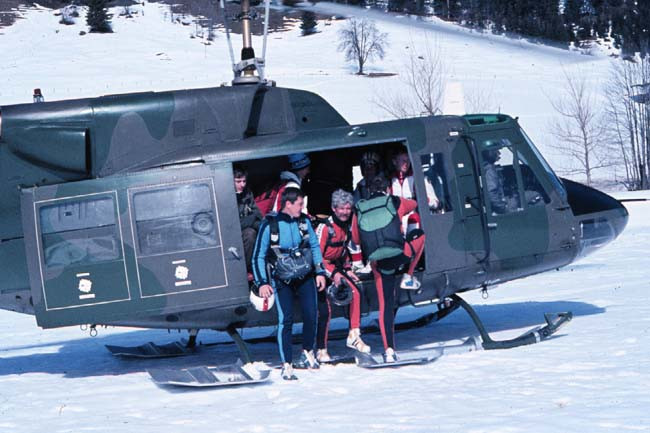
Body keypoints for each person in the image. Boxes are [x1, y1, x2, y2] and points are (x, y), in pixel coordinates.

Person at [252, 187, 327, 380]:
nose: (303, 207)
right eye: (300, 204)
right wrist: (261, 283)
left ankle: (307, 351)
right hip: (282, 279)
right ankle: (287, 363)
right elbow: (258, 256)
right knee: (285, 320)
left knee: (312, 314)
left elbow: (314, 246)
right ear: (288, 204)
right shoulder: (270, 225)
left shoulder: (304, 221)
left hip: (305, 275)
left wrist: (319, 271)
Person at [351, 175, 426, 362]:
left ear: (368, 190)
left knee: (385, 306)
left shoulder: (359, 208)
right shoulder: (394, 201)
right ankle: (408, 276)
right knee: (419, 235)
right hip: (399, 254)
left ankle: (389, 350)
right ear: (387, 189)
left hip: (378, 263)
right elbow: (414, 204)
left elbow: (356, 239)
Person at [315, 190, 370, 362]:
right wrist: (333, 273)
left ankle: (354, 334)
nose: (346, 212)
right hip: (320, 272)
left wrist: (347, 268)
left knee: (355, 292)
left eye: (348, 208)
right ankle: (321, 349)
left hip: (336, 268)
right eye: (342, 208)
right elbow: (317, 257)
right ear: (334, 208)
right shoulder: (325, 228)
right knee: (325, 311)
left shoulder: (346, 225)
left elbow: (344, 251)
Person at [389, 148, 439, 233]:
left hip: (415, 224)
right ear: (395, 162)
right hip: (397, 227)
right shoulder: (389, 182)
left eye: (408, 160)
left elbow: (436, 203)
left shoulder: (419, 178)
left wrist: (425, 200)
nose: (406, 164)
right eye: (403, 160)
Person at [233, 164, 263, 272]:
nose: (242, 185)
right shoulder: (226, 196)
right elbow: (233, 225)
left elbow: (256, 213)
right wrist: (252, 219)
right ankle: (244, 269)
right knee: (250, 234)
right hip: (231, 234)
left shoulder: (247, 193)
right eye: (238, 181)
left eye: (244, 181)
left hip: (246, 226)